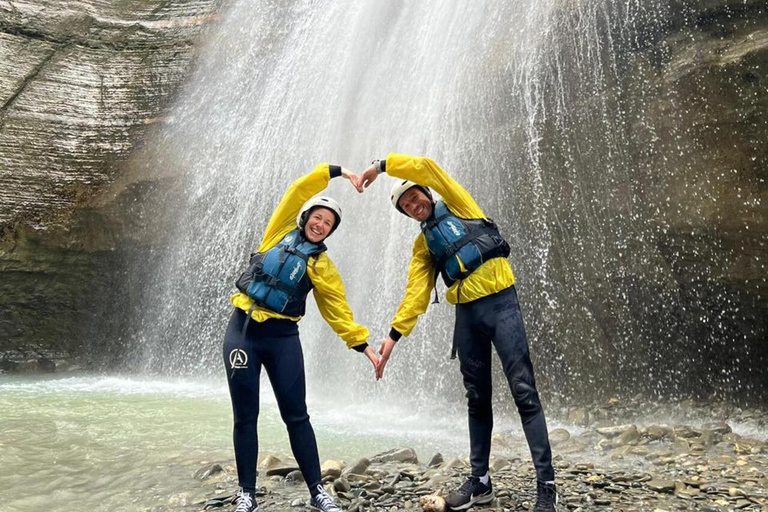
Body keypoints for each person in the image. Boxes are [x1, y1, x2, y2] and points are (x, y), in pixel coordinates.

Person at [358, 154, 558, 512]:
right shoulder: (423, 246)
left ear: (427, 193)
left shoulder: (458, 203)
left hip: (501, 303)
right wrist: (392, 337)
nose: (414, 206)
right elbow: (416, 294)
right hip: (467, 315)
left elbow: (425, 166)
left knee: (523, 390)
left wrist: (380, 166)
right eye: (406, 206)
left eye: (415, 197)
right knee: (476, 397)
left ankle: (546, 487)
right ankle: (480, 482)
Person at [224, 163, 379, 512]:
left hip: (282, 340)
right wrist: (339, 173)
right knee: (245, 415)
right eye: (317, 217)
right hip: (243, 334)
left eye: (328, 223)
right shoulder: (278, 232)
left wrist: (364, 346)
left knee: (297, 416)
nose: (320, 224)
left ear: (330, 232)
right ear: (305, 217)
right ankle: (246, 493)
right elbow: (297, 190)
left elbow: (337, 310)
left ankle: (317, 491)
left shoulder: (321, 266)